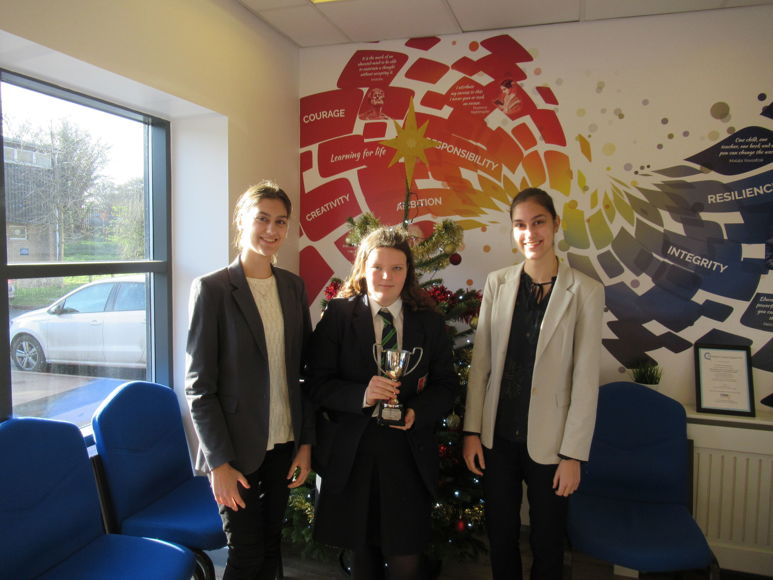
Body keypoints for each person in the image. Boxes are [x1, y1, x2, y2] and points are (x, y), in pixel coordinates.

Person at [462, 187, 604, 580]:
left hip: (553, 443)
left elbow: (585, 379)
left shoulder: (586, 291)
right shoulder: (498, 283)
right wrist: (471, 432)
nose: (530, 233)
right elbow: (481, 367)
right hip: (497, 437)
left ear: (555, 224)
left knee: (548, 541)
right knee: (501, 535)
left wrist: (573, 455)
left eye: (538, 222)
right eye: (520, 225)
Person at [306, 227, 459, 580]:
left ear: (408, 273)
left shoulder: (429, 322)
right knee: (362, 558)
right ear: (363, 268)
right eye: (377, 267)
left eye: (396, 268)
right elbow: (316, 384)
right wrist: (362, 394)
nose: (386, 277)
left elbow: (446, 385)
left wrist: (417, 411)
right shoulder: (338, 315)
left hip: (407, 453)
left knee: (406, 556)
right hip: (353, 455)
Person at [185, 180, 313, 580]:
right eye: (262, 219)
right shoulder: (212, 289)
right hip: (235, 451)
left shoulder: (292, 287)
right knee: (245, 554)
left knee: (272, 543)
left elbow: (306, 372)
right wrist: (218, 464)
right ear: (242, 220)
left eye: (281, 221)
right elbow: (199, 388)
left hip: (284, 443)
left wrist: (305, 445)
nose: (271, 230)